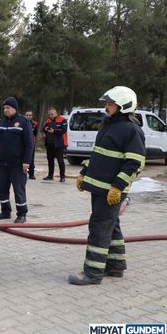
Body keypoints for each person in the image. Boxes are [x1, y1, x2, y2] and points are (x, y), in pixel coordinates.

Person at [69, 86, 145, 285]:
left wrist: (118, 187)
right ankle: (116, 266)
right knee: (112, 226)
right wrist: (84, 173)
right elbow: (98, 155)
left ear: (123, 106)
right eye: (107, 103)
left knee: (99, 227)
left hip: (110, 190)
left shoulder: (131, 129)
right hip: (99, 188)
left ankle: (92, 273)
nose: (106, 107)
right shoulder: (109, 125)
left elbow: (135, 163)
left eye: (111, 104)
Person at [0, 97, 33, 223]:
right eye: (4, 108)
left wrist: (26, 162)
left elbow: (29, 144)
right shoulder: (1, 122)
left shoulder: (23, 122)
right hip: (3, 164)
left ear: (14, 108)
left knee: (18, 190)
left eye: (8, 108)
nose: (5, 110)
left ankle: (21, 214)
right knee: (2, 189)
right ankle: (5, 211)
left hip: (18, 165)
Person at [43, 107, 68, 182]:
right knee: (50, 160)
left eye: (52, 114)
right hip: (49, 144)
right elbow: (44, 128)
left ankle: (62, 176)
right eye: (49, 114)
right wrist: (46, 129)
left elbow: (64, 130)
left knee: (60, 160)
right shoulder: (48, 120)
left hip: (59, 144)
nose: (50, 116)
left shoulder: (62, 119)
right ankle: (50, 176)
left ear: (56, 113)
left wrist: (54, 131)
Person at [24, 110, 39, 180]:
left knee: (31, 159)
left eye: (30, 115)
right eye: (27, 115)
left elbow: (36, 134)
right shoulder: (22, 122)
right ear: (25, 115)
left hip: (31, 143)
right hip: (22, 143)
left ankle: (31, 174)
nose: (28, 117)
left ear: (32, 116)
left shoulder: (35, 124)